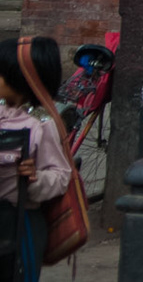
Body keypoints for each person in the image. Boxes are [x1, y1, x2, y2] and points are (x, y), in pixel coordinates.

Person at [0, 36, 72, 282]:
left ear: (19, 80)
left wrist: (34, 178)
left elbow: (61, 176)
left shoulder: (42, 124)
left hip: (21, 224)